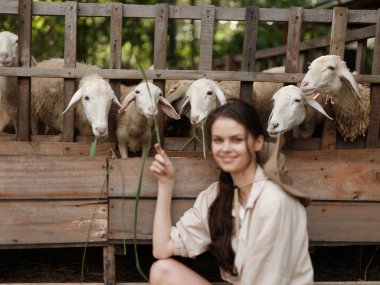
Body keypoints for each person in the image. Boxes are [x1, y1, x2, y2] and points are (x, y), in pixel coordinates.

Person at [149, 100, 314, 285]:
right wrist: (165, 183)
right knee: (162, 271)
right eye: (218, 140)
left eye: (236, 139)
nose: (226, 148)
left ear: (258, 142)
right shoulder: (217, 195)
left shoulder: (275, 201)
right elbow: (162, 249)